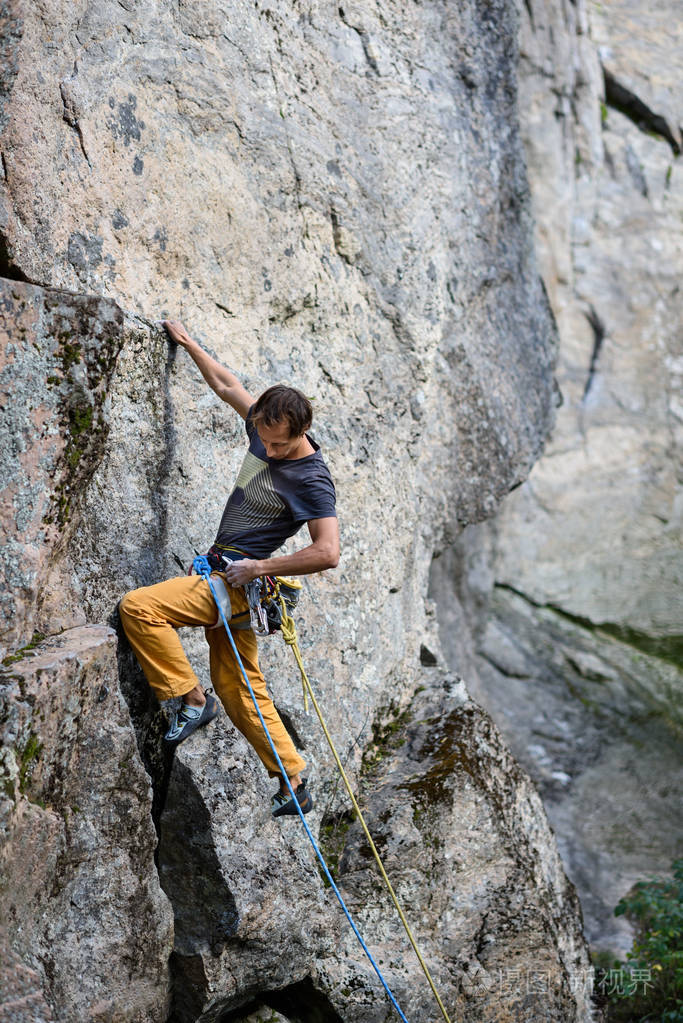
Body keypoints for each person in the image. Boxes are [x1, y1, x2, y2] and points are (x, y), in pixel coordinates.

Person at [119, 320, 339, 817]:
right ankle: (293, 779)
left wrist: (260, 567)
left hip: (238, 583)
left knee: (141, 608)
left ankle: (189, 700)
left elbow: (327, 552)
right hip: (230, 578)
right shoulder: (264, 430)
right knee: (240, 685)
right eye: (265, 438)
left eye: (281, 444)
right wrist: (190, 344)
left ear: (300, 431)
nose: (271, 450)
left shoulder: (311, 478)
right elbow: (227, 386)